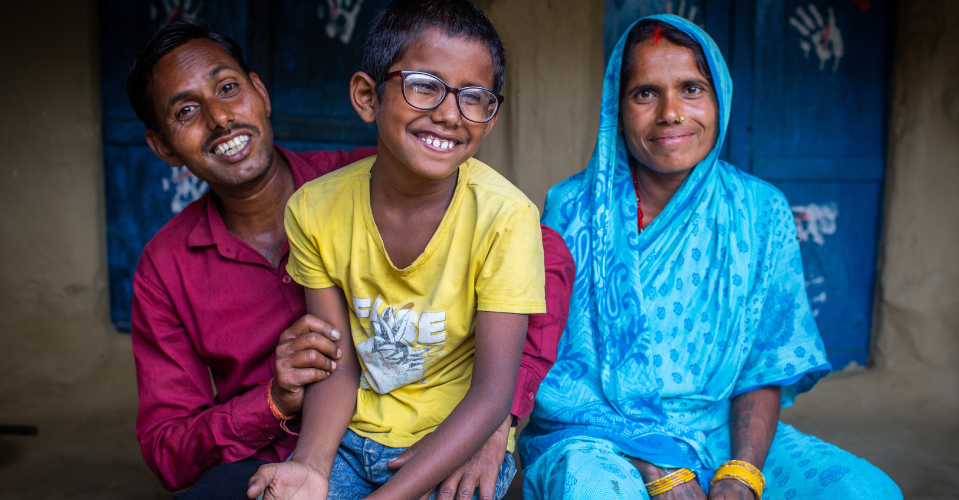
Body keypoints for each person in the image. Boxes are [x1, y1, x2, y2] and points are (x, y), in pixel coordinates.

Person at [125, 19, 574, 500]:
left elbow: (544, 260)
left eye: (228, 88)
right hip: (296, 452)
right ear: (162, 146)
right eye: (187, 111)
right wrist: (273, 403)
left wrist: (497, 420)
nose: (220, 118)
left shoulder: (396, 171)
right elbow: (167, 448)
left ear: (260, 91)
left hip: (427, 438)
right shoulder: (167, 267)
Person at [517, 15, 902, 500]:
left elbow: (766, 364)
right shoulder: (572, 208)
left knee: (864, 490)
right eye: (645, 93)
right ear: (617, 107)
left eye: (692, 89)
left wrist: (740, 474)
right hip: (597, 439)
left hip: (719, 435)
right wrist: (658, 470)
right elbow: (553, 375)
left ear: (720, 98)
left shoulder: (761, 212)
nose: (671, 112)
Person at [245, 2, 546, 500]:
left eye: (474, 97)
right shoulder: (314, 210)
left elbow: (493, 394)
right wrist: (312, 466)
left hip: (453, 441)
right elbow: (337, 365)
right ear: (368, 97)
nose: (450, 114)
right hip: (346, 439)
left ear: (489, 119)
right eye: (424, 85)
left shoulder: (506, 217)